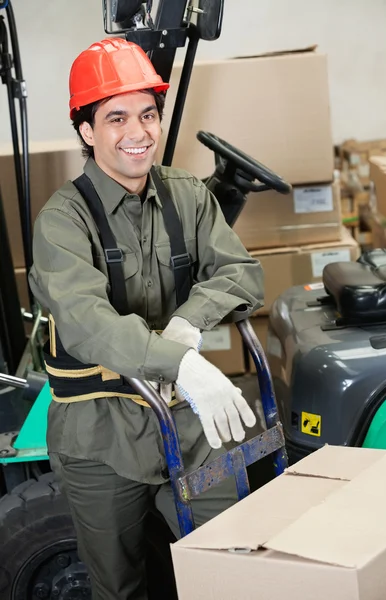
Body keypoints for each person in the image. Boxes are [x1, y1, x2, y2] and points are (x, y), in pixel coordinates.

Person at [29, 37, 264, 600]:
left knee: (231, 564)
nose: (138, 132)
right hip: (100, 440)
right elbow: (87, 321)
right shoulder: (61, 223)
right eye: (116, 118)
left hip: (190, 428)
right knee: (122, 586)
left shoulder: (187, 195)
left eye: (148, 114)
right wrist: (181, 360)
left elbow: (243, 275)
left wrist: (188, 322)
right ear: (87, 131)